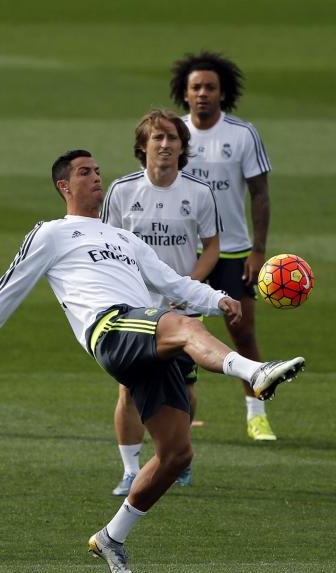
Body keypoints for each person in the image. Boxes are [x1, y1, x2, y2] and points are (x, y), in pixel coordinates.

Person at [0, 149, 304, 573]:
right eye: (85, 172)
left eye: (98, 170)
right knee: (181, 325)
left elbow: (174, 283)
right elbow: (9, 287)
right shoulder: (51, 234)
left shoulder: (124, 238)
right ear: (64, 187)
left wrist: (220, 300)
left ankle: (111, 537)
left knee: (176, 454)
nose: (97, 177)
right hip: (110, 329)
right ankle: (255, 372)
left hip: (142, 336)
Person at [101, 109, 220, 496]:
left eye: (171, 138)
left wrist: (186, 285)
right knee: (127, 390)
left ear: (183, 147)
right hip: (134, 308)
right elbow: (106, 247)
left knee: (183, 388)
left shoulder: (199, 193)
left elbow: (212, 248)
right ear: (143, 146)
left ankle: (176, 459)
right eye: (157, 138)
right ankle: (131, 470)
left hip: (181, 310)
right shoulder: (121, 191)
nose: (165, 144)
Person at [169, 51, 278, 441]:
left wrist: (258, 248)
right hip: (186, 252)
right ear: (184, 93)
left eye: (210, 88)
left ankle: (256, 415)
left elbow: (259, 193)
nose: (202, 94)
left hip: (233, 250)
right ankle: (176, 421)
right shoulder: (173, 135)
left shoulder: (242, 134)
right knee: (180, 334)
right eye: (195, 87)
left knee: (242, 332)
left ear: (222, 93)